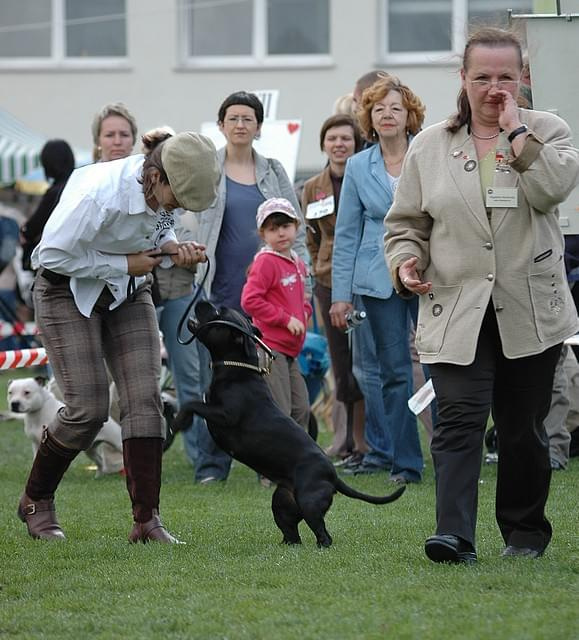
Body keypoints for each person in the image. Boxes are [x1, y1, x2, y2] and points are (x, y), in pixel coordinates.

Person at [385, 26, 579, 564]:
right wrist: (406, 261)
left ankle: (524, 533)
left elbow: (551, 190)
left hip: (530, 308)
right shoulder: (429, 146)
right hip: (455, 305)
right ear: (463, 79)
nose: (495, 88)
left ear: (525, 78)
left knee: (522, 430)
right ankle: (455, 536)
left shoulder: (551, 132)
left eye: (506, 77)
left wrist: (516, 134)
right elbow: (405, 224)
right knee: (457, 424)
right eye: (483, 77)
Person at [17, 131, 220, 543]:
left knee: (145, 400)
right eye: (177, 195)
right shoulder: (98, 195)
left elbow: (160, 225)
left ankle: (147, 521)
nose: (179, 205)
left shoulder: (162, 186)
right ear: (155, 177)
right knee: (88, 409)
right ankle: (36, 500)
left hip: (127, 291)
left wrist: (173, 247)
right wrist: (122, 263)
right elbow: (49, 255)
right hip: (63, 290)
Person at [192, 90, 308, 483]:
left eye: (248, 119)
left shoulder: (274, 171)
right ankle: (212, 468)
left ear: (259, 127)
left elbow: (298, 229)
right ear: (221, 124)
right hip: (221, 293)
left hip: (269, 300)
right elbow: (183, 216)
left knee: (269, 388)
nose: (240, 125)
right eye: (233, 118)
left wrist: (300, 286)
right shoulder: (208, 169)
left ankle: (271, 465)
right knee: (219, 383)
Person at [330, 75, 426, 484]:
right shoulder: (357, 166)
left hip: (429, 274)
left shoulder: (428, 156)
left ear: (410, 117)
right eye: (379, 109)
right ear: (369, 117)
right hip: (377, 280)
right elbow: (347, 234)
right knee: (394, 373)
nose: (387, 115)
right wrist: (341, 296)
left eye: (396, 109)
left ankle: (452, 454)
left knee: (442, 370)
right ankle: (406, 464)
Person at [141, 126, 210, 469]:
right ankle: (139, 458)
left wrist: (189, 252)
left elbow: (185, 236)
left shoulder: (192, 196)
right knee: (141, 379)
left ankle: (202, 462)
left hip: (180, 290)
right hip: (140, 293)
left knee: (191, 377)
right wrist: (168, 251)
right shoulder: (140, 194)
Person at [301, 114, 366, 459]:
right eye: (332, 139)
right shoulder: (313, 187)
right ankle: (346, 441)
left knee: (366, 363)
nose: (339, 144)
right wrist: (318, 263)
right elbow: (310, 235)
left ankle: (366, 439)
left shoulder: (366, 175)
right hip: (327, 280)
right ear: (323, 144)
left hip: (366, 278)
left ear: (356, 143)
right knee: (340, 363)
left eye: (346, 138)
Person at [241, 197, 312, 429]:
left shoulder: (298, 262)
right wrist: (285, 319)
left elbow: (302, 300)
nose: (281, 233)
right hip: (271, 348)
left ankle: (299, 461)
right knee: (282, 410)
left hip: (291, 349)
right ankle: (281, 462)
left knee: (301, 409)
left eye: (285, 226)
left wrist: (304, 314)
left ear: (296, 227)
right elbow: (249, 300)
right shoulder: (266, 263)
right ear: (263, 234)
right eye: (273, 229)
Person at [20, 140, 75, 272]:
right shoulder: (78, 184)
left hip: (52, 263)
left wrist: (24, 231)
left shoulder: (55, 192)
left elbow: (32, 227)